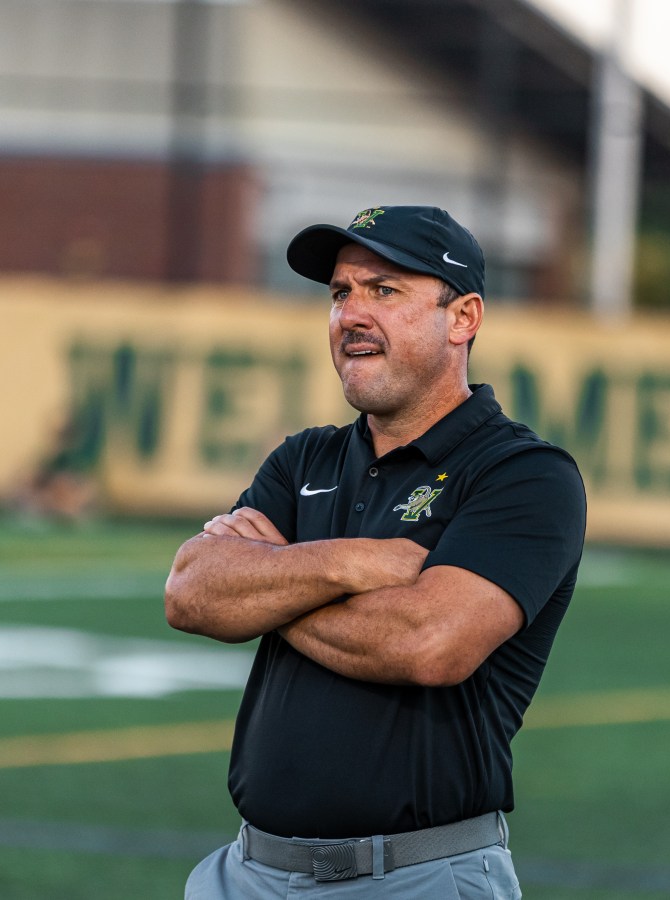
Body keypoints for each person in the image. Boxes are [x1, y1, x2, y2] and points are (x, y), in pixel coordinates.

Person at [165, 205, 586, 898]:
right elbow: (189, 593)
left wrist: (267, 586)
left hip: (416, 877)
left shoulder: (524, 475)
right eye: (340, 294)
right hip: (247, 873)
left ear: (464, 318)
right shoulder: (304, 458)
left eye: (384, 290)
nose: (351, 315)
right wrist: (346, 563)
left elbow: (429, 641)